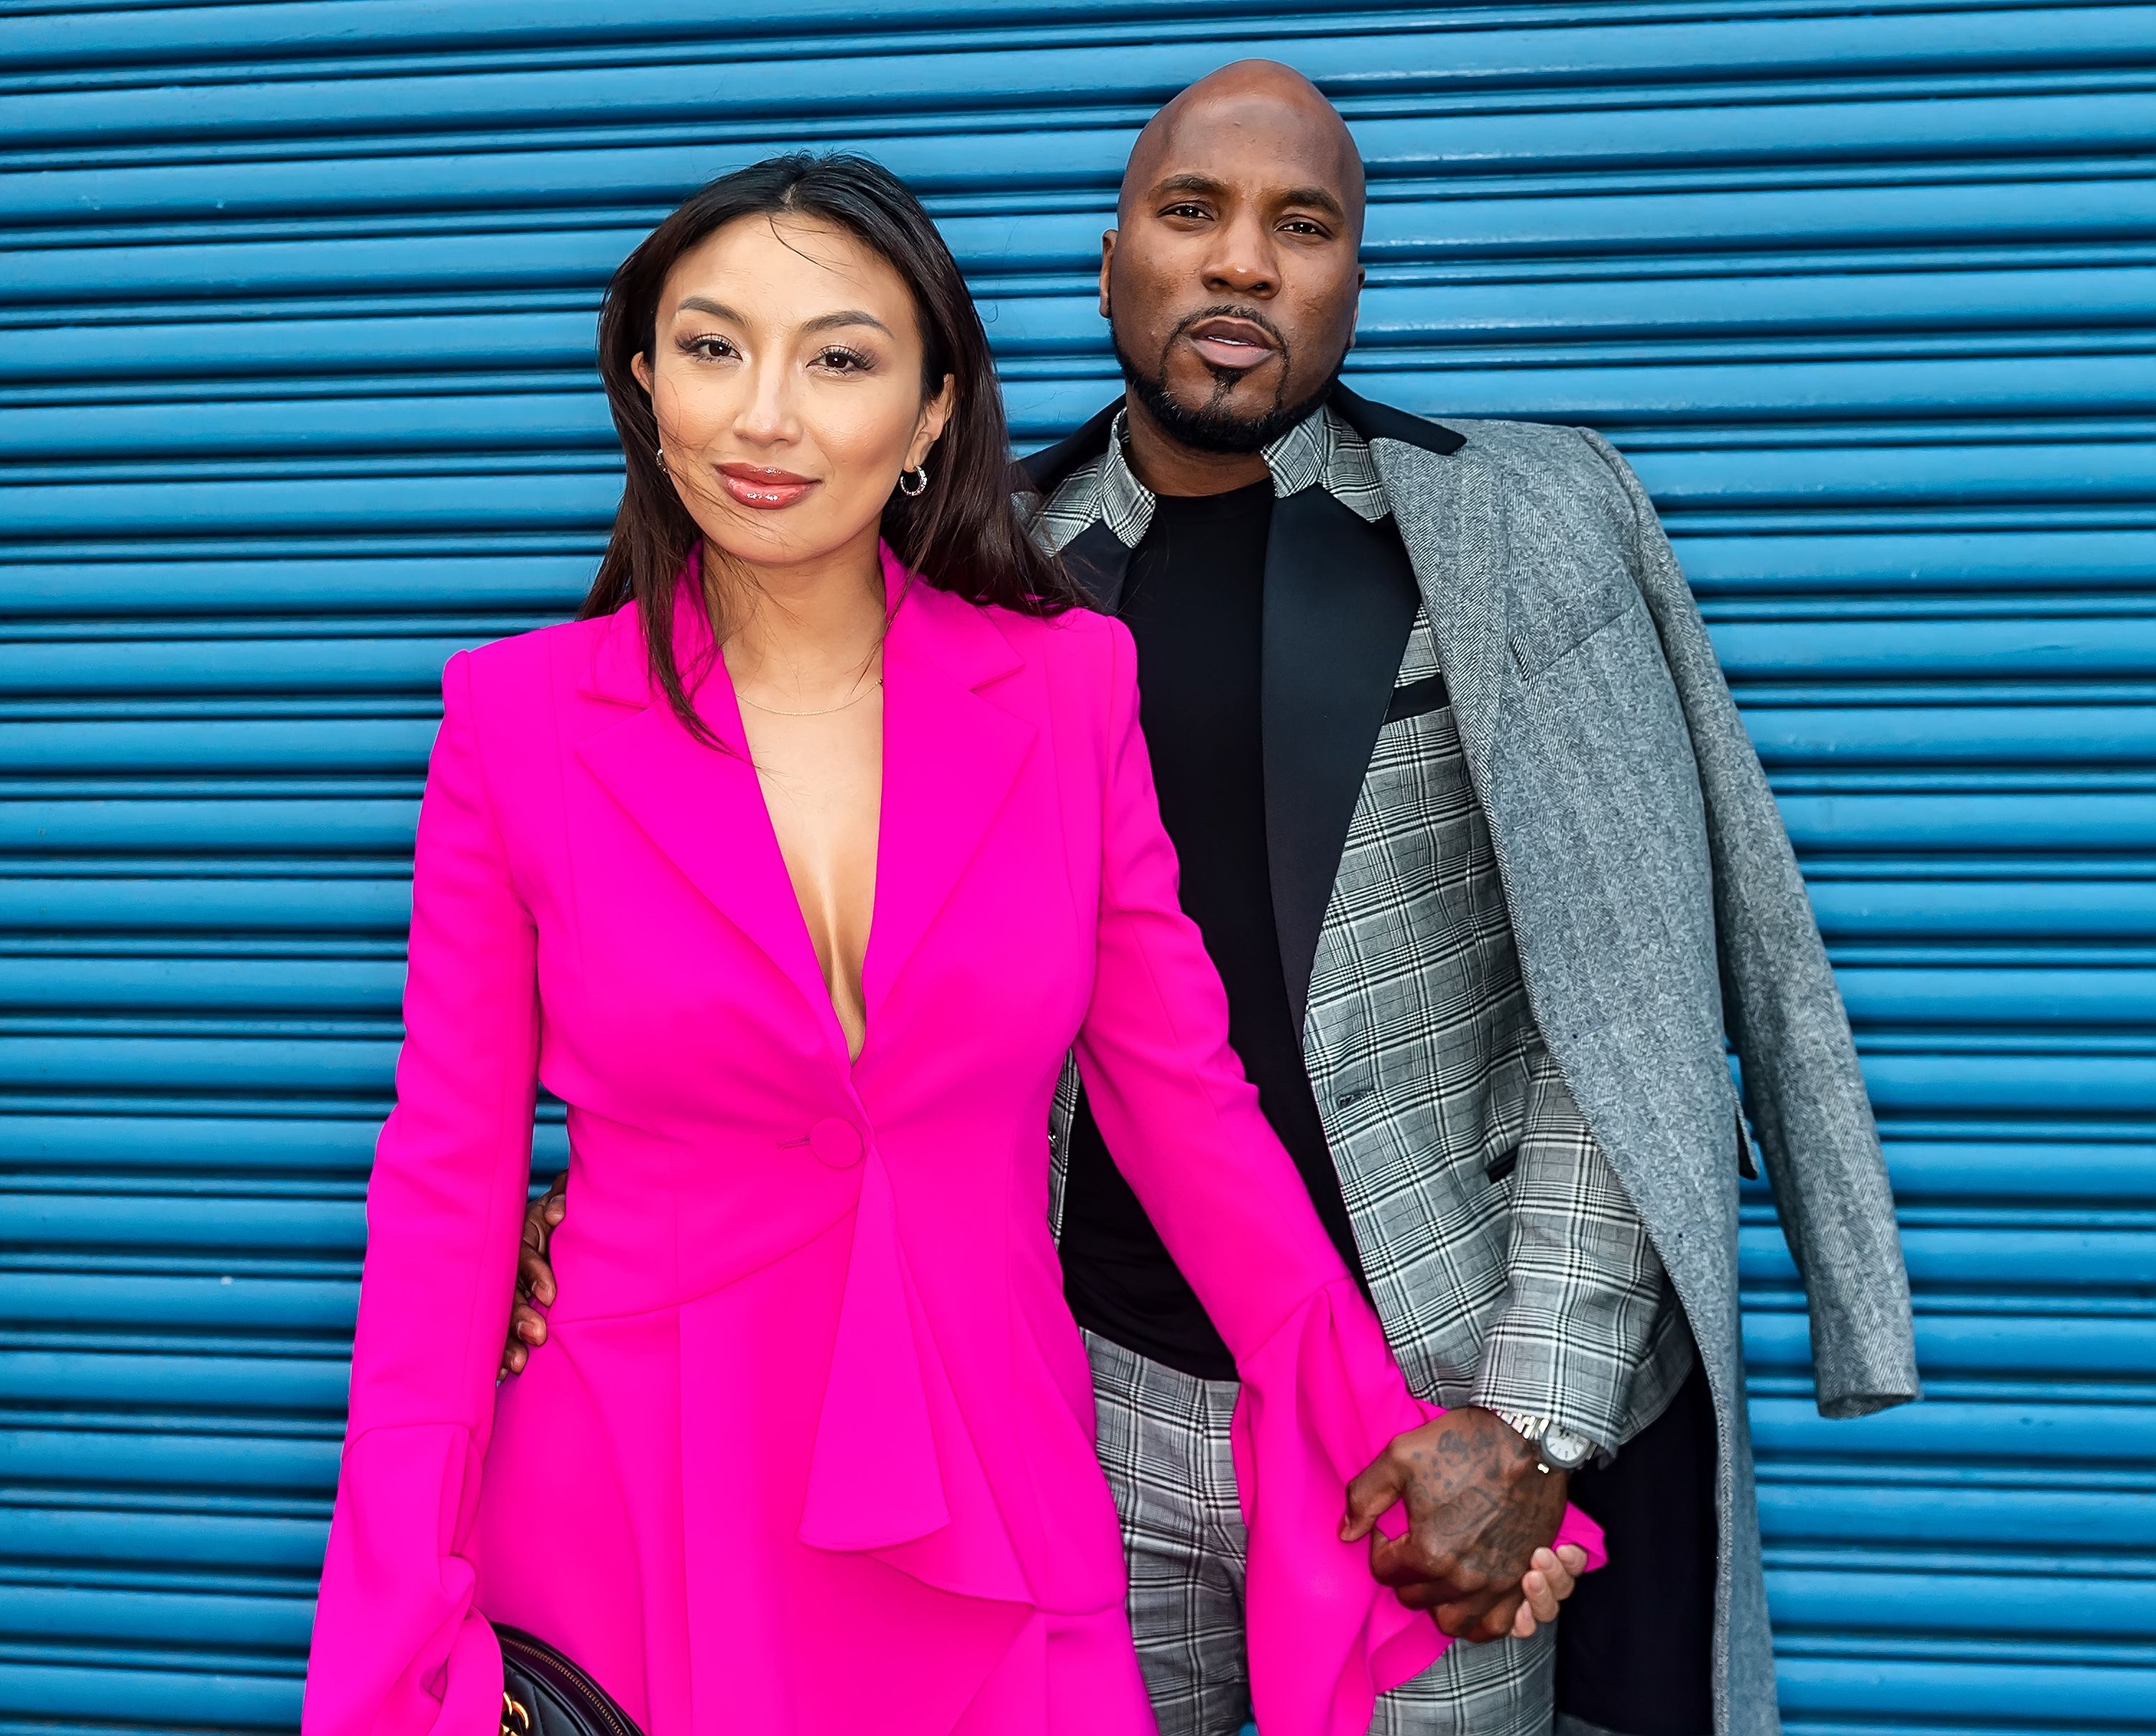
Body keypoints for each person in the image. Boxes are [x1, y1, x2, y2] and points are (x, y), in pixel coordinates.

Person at [503, 60, 1922, 1736]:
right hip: (1071, 1392)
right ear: (1109, 264)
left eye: (1301, 227)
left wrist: (1533, 1424)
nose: (1242, 262)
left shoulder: (1514, 523)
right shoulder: (969, 582)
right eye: (1193, 213)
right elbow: (773, 936)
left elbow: (1626, 1013)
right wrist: (604, 1212)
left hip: (1429, 1404)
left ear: (1354, 284)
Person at [305, 153, 1603, 1736]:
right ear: (643, 383)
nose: (764, 416)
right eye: (712, 348)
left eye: (838, 358)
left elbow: (1187, 1110)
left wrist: (1372, 1432)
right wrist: (390, 1636)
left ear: (930, 414)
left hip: (990, 1471)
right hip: (636, 1500)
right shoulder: (513, 726)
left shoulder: (1064, 692)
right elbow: (445, 1189)